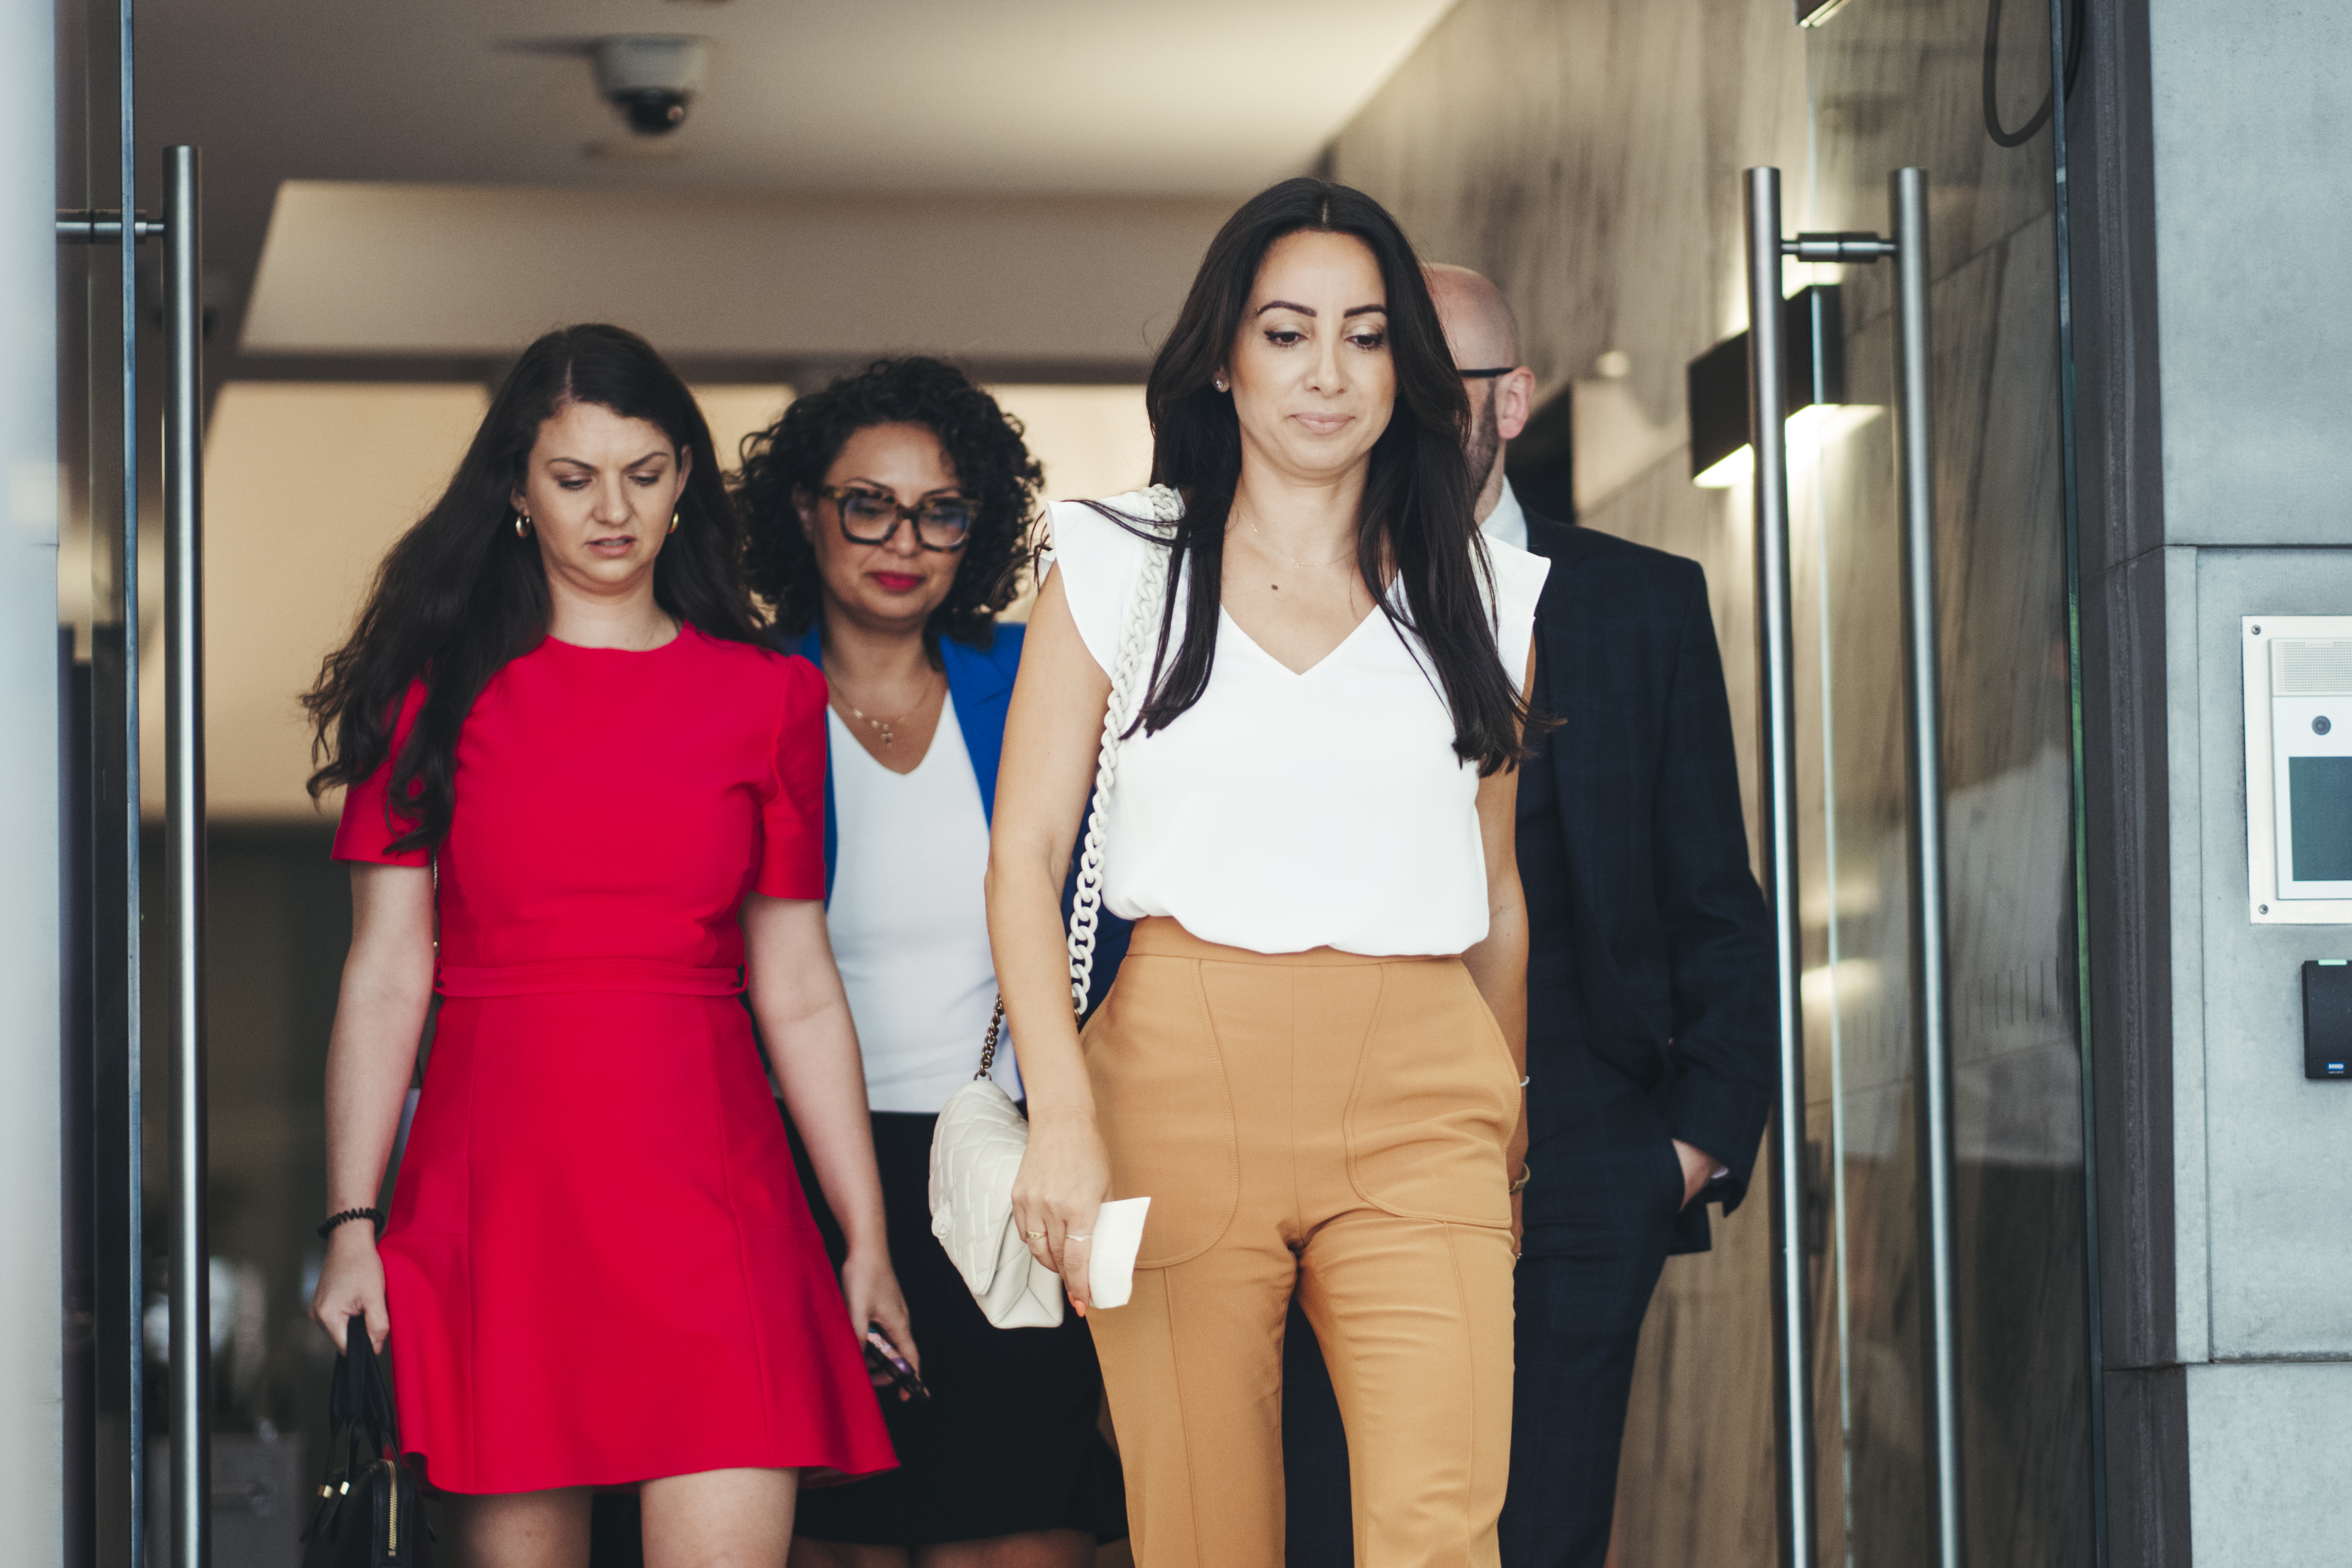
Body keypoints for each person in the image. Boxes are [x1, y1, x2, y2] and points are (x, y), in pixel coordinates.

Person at [985, 178, 1551, 1568]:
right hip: (1171, 1075)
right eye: (1287, 331)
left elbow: (1499, 887)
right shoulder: (1116, 562)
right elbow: (1025, 857)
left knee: (1440, 1531)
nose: (1326, 372)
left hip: (1426, 1084)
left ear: (1406, 368)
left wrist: (1508, 1106)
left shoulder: (1484, 592)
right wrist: (1061, 1112)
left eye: (1366, 336)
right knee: (1203, 1537)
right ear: (1225, 358)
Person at [304, 323, 903, 1567]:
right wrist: (351, 1222)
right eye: (574, 477)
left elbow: (796, 983)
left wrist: (865, 1235)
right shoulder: (433, 691)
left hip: (716, 1203)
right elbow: (386, 971)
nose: (611, 509)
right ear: (518, 490)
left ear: (687, 478)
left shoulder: (769, 696)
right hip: (504, 1205)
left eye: (643, 471)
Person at [1281, 265, 1779, 1568]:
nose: (1424, 408)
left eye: (1458, 387)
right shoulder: (1294, 597)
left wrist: (1688, 1144)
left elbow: (1714, 893)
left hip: (1584, 1149)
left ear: (1516, 399)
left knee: (1542, 1535)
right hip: (1337, 1143)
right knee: (1344, 1531)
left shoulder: (1640, 602)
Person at [733, 356, 1128, 1568]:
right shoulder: (740, 693)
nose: (903, 540)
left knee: (1021, 1533)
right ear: (806, 510)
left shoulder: (1036, 683)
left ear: (982, 526)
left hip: (1012, 1171)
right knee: (829, 1537)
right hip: (792, 1180)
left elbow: (1112, 919)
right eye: (869, 503)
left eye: (942, 510)